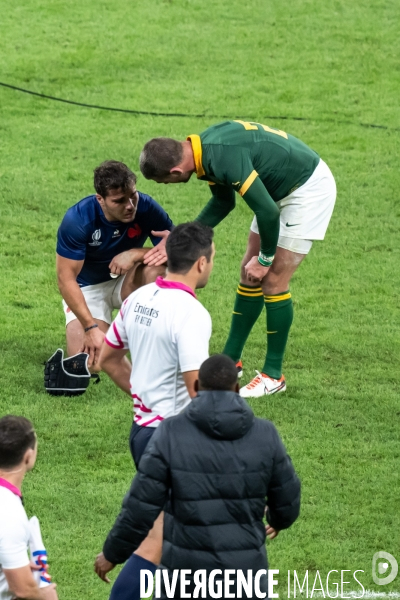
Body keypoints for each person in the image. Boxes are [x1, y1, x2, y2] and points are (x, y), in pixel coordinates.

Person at [139, 120, 336, 397]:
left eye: (164, 181)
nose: (167, 185)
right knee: (248, 272)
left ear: (174, 171)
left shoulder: (222, 156)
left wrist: (266, 259)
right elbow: (223, 202)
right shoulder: (201, 151)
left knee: (273, 281)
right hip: (277, 190)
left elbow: (268, 213)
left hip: (306, 190)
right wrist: (179, 236)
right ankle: (231, 359)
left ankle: (273, 375)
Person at [94, 354, 301, 599]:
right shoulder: (265, 434)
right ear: (236, 388)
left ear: (194, 387)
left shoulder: (170, 433)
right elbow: (288, 499)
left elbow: (140, 507)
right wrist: (277, 519)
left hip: (183, 579)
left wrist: (112, 553)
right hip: (246, 578)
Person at [95, 221, 215, 599]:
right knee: (158, 541)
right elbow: (199, 390)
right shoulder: (191, 313)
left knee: (177, 539)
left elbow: (110, 359)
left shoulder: (138, 299)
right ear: (200, 263)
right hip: (174, 440)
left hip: (143, 432)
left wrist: (143, 396)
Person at [56, 160, 173, 371]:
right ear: (100, 199)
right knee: (92, 365)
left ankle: (157, 341)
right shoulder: (78, 220)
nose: (130, 206)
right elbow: (66, 280)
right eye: (119, 201)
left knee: (161, 273)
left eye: (133, 196)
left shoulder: (146, 207)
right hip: (88, 289)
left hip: (127, 280)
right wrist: (90, 327)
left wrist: (136, 253)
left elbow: (182, 254)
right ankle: (111, 330)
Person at [0, 415, 58, 600]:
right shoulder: (8, 511)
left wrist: (16, 565)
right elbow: (23, 590)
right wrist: (44, 595)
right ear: (28, 456)